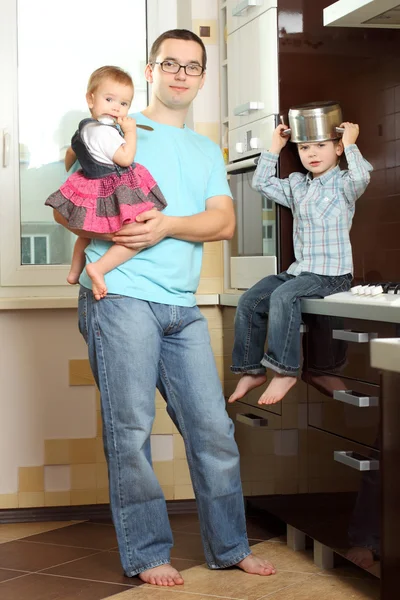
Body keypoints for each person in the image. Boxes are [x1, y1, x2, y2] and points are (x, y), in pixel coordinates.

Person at [53, 29, 276, 587]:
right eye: (170, 63)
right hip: (120, 299)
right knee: (130, 431)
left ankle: (229, 546)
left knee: (214, 432)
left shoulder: (205, 149)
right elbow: (67, 205)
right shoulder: (117, 129)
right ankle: (148, 552)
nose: (181, 73)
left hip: (183, 306)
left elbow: (223, 223)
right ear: (150, 70)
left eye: (193, 66)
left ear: (202, 77)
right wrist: (107, 236)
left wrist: (166, 226)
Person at [228, 119, 372, 406]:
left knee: (284, 296)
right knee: (251, 300)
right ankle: (251, 369)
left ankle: (285, 371)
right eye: (305, 147)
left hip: (333, 275)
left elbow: (362, 177)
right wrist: (275, 147)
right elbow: (261, 182)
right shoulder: (297, 185)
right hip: (300, 272)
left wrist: (352, 142)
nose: (312, 153)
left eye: (321, 146)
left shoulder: (344, 184)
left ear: (338, 149)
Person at [45, 66, 167, 300]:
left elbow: (71, 155)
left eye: (123, 104)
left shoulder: (85, 128)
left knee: (87, 232)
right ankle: (98, 268)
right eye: (109, 99)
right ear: (91, 98)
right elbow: (125, 158)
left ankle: (74, 272)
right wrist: (130, 132)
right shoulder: (105, 132)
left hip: (90, 182)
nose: (116, 107)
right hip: (113, 187)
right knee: (136, 236)